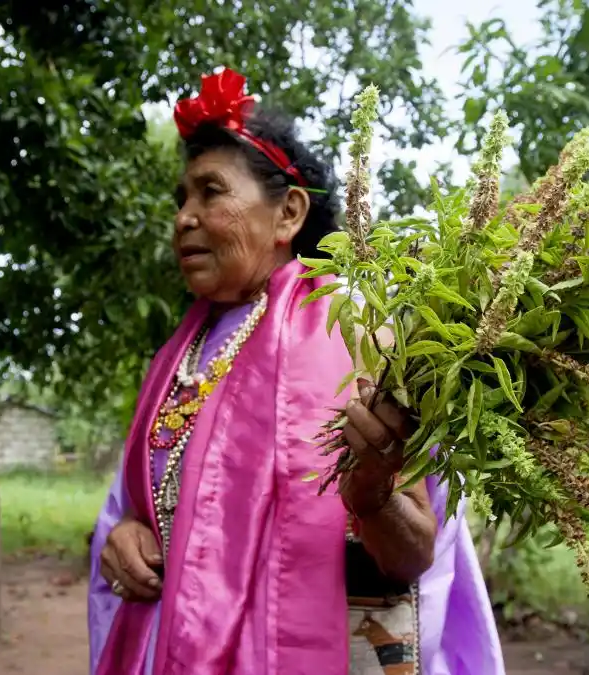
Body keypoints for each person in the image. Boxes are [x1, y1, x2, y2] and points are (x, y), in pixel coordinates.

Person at [87, 67, 505, 675]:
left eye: (210, 192)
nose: (183, 217)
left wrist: (373, 494)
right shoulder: (175, 357)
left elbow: (414, 551)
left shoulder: (354, 330)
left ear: (288, 213)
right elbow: (142, 504)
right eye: (181, 199)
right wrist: (122, 537)